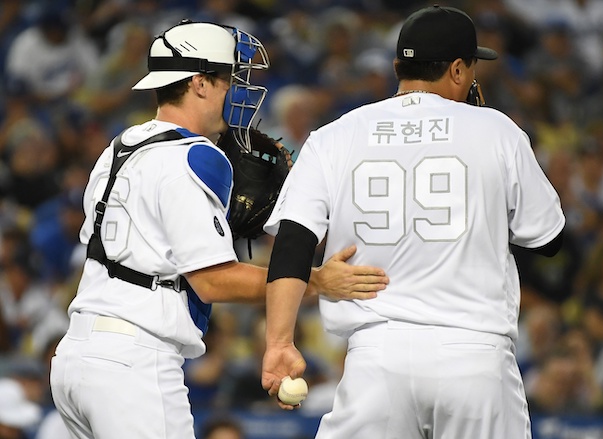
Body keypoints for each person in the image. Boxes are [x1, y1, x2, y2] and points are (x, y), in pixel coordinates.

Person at [49, 19, 388, 439]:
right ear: (199, 84)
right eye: (228, 78)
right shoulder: (196, 157)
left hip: (76, 358)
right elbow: (213, 281)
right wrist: (315, 279)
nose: (235, 90)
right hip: (134, 362)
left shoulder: (119, 146)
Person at [261, 5, 565, 439]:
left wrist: (279, 343)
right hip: (475, 356)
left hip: (377, 358)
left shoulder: (335, 134)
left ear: (396, 66)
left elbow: (291, 243)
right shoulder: (497, 130)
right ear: (458, 70)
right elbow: (548, 240)